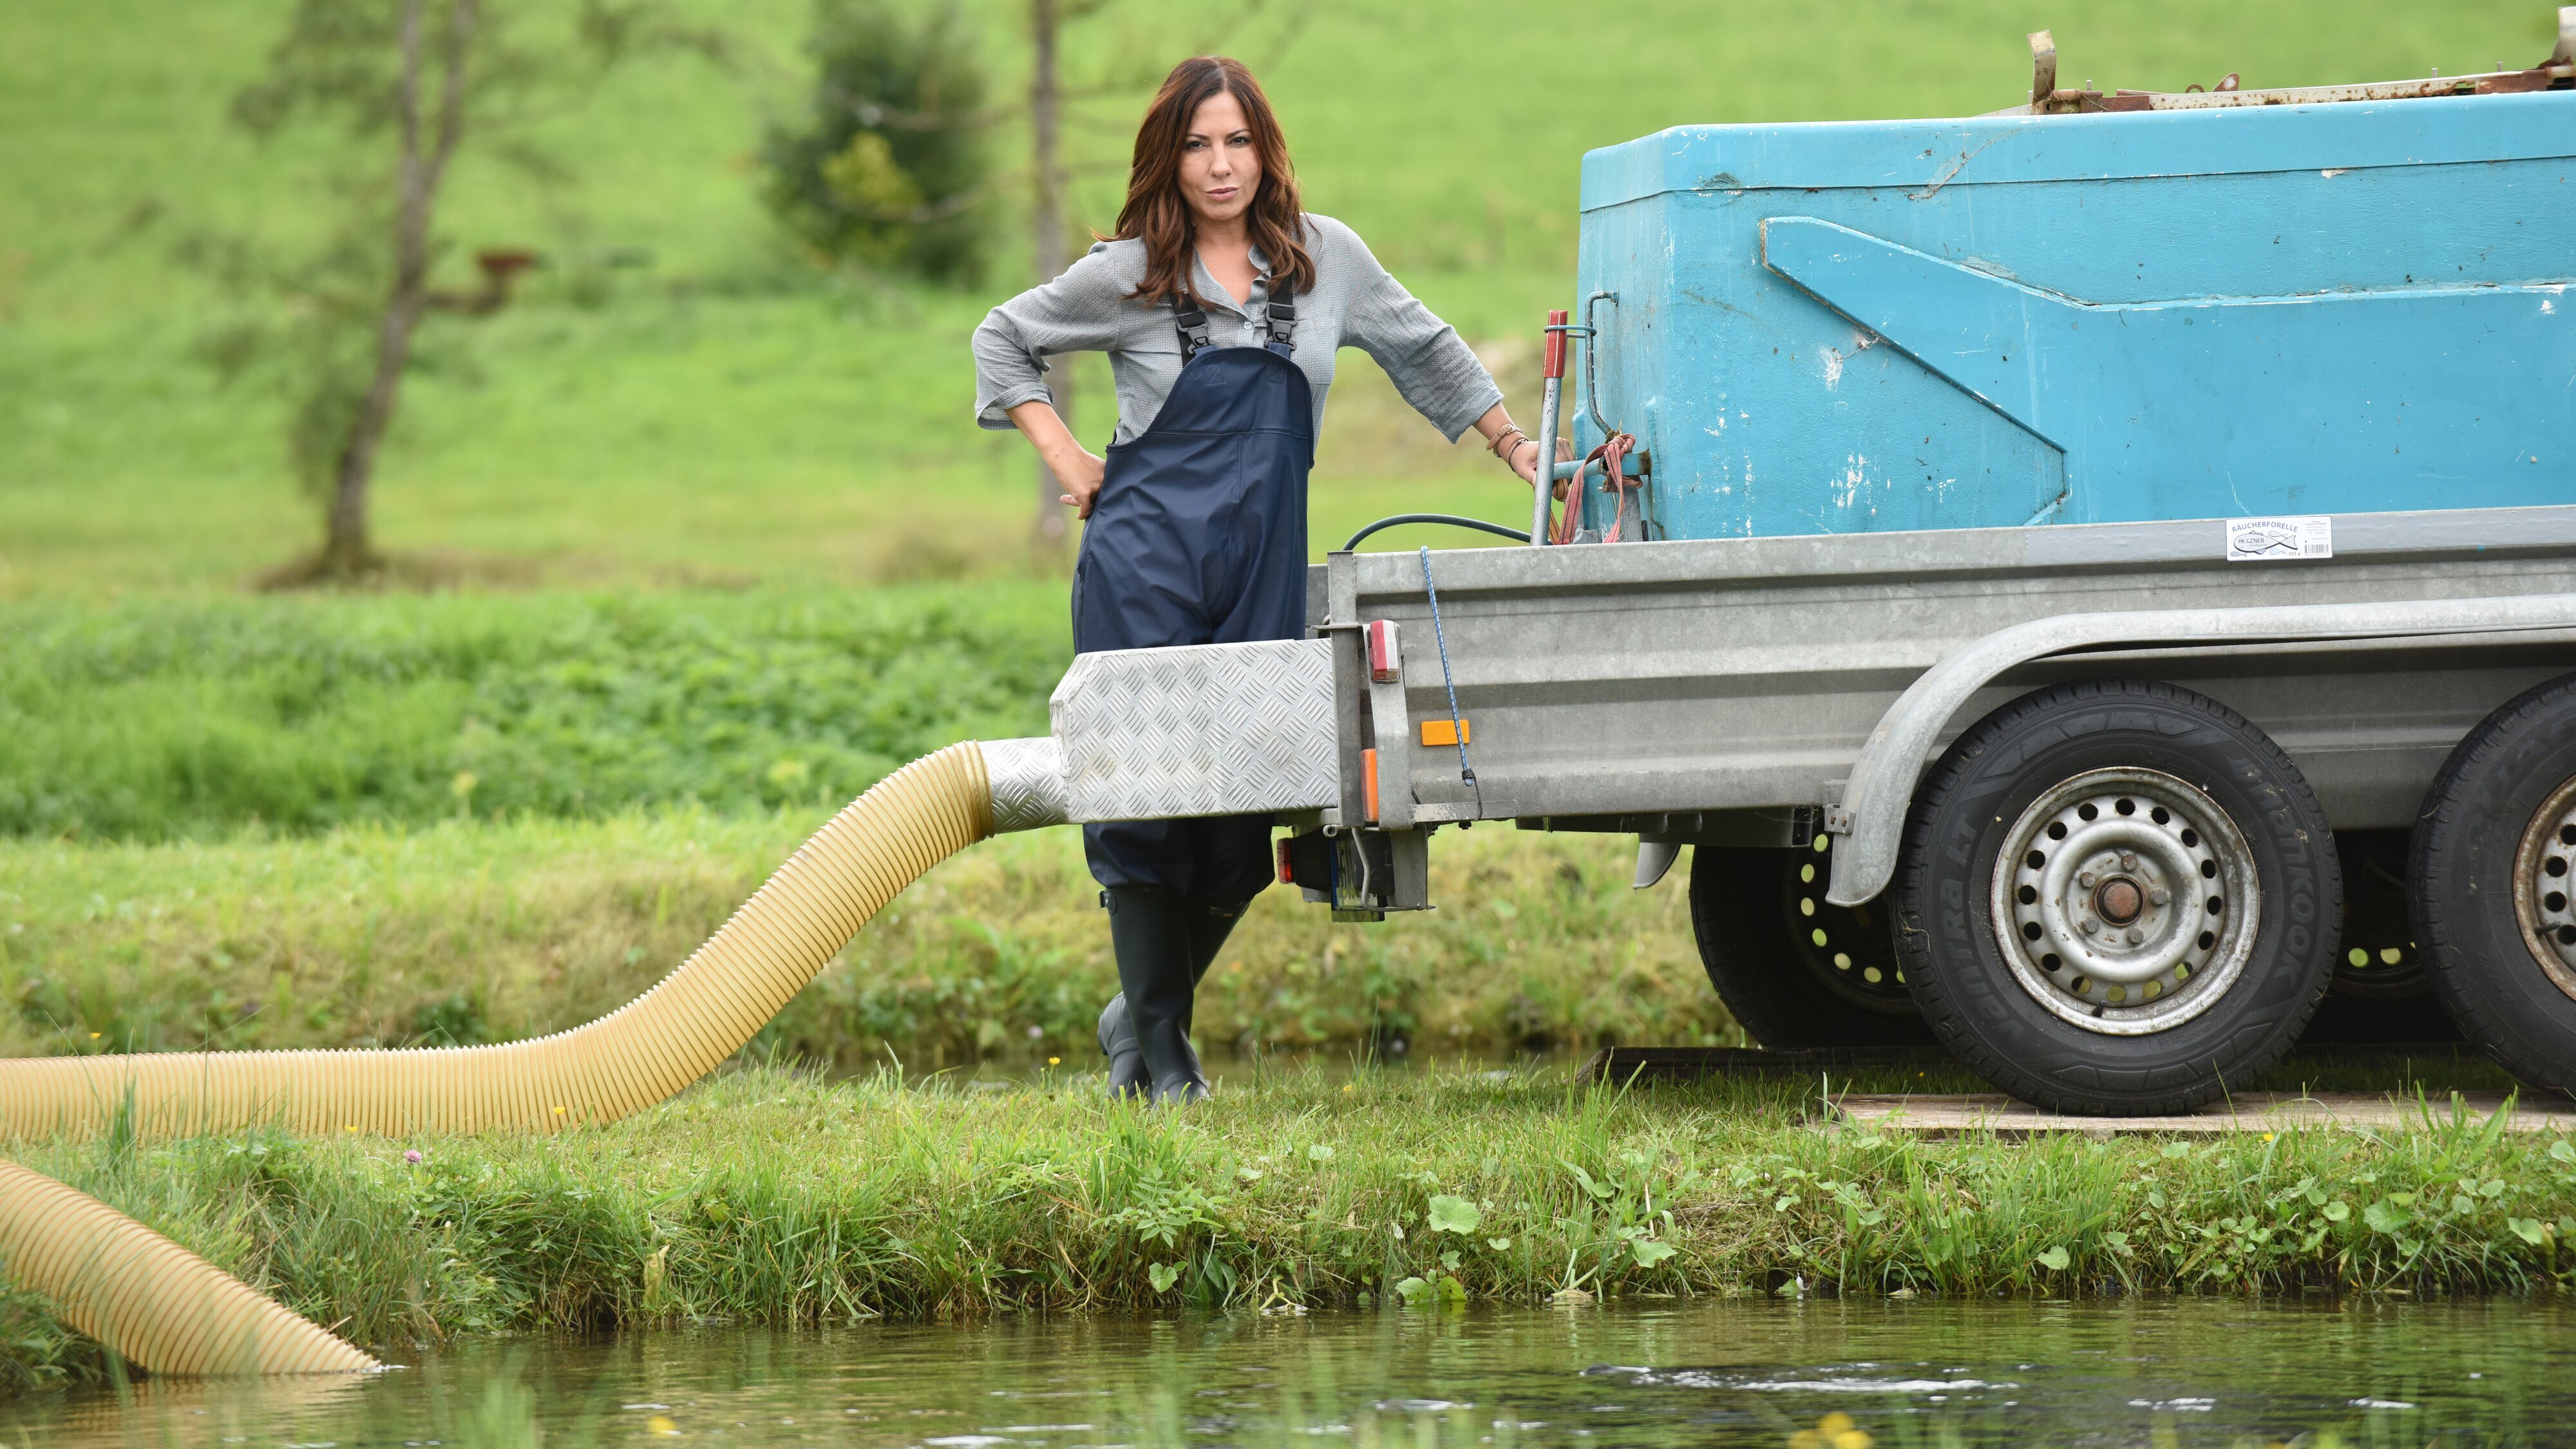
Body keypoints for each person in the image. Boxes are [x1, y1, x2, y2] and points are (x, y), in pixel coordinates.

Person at [971, 55, 1560, 1103]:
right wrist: (1071, 463)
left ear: (1265, 147)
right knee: (1145, 810)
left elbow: (1424, 348)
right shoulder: (1129, 271)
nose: (1219, 165)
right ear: (1168, 157)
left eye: (1236, 140)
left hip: (1261, 571)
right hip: (1145, 565)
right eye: (1197, 144)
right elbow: (1004, 338)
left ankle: (1136, 1016)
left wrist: (1513, 446)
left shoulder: (1329, 259)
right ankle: (1165, 1059)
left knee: (1246, 820)